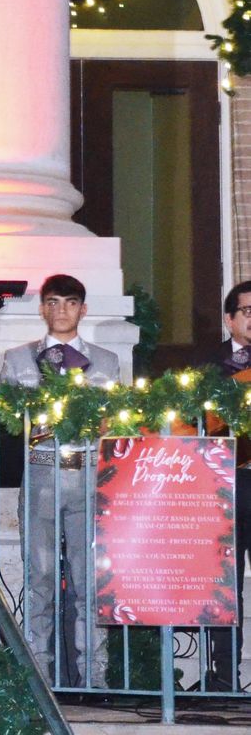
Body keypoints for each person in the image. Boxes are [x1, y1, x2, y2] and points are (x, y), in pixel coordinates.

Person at [0, 274, 119, 688]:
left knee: (89, 580)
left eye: (70, 302)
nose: (61, 310)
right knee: (40, 579)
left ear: (82, 310)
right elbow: (5, 420)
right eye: (53, 301)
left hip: (87, 474)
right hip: (40, 472)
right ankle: (39, 676)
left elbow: (115, 421)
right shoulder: (19, 359)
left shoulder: (106, 361)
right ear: (43, 308)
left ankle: (94, 678)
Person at [196, 280, 251, 691]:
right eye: (248, 311)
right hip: (222, 487)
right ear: (229, 318)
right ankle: (223, 681)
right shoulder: (205, 365)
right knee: (223, 587)